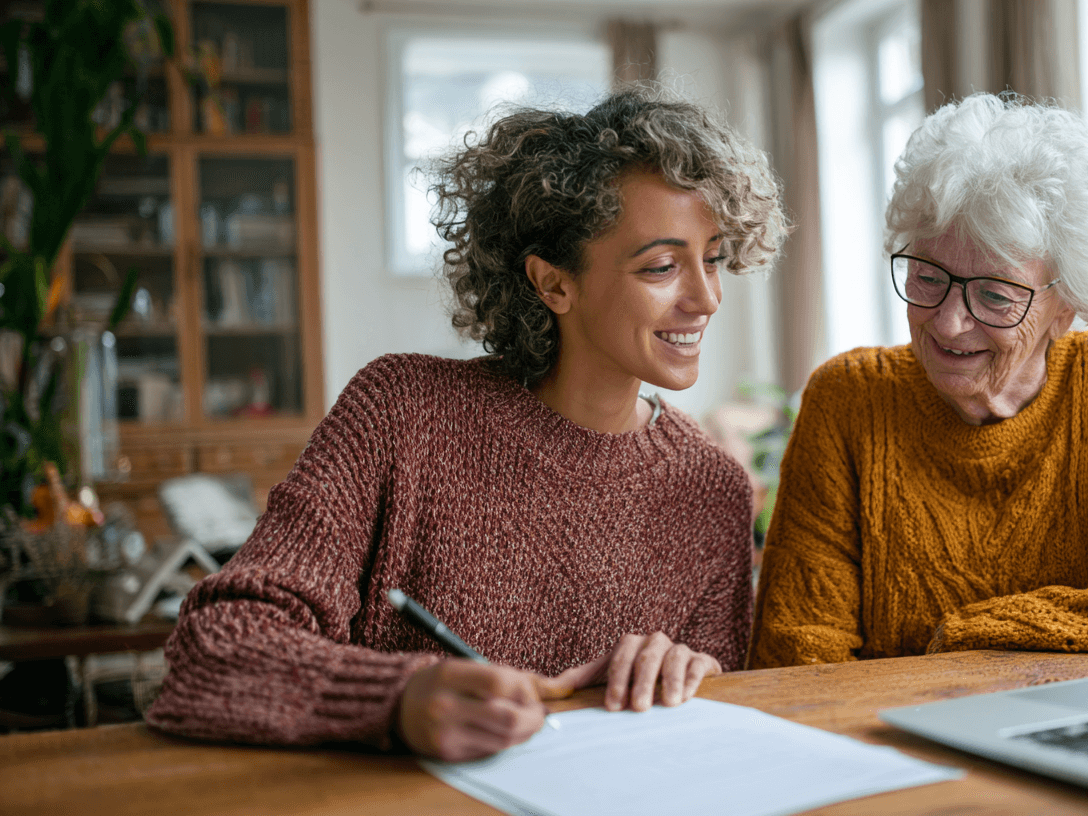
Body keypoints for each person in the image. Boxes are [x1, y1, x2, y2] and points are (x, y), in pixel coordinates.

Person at [146, 87, 789, 761]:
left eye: (713, 257)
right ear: (553, 284)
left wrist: (693, 677)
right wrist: (397, 700)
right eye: (661, 266)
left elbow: (715, 735)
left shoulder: (711, 486)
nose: (707, 297)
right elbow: (212, 647)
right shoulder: (401, 413)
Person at [748, 93, 1088, 669]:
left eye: (995, 295)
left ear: (1067, 304)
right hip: (892, 742)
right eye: (928, 277)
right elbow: (797, 657)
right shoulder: (848, 401)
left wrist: (983, 631)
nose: (949, 323)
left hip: (1074, 735)